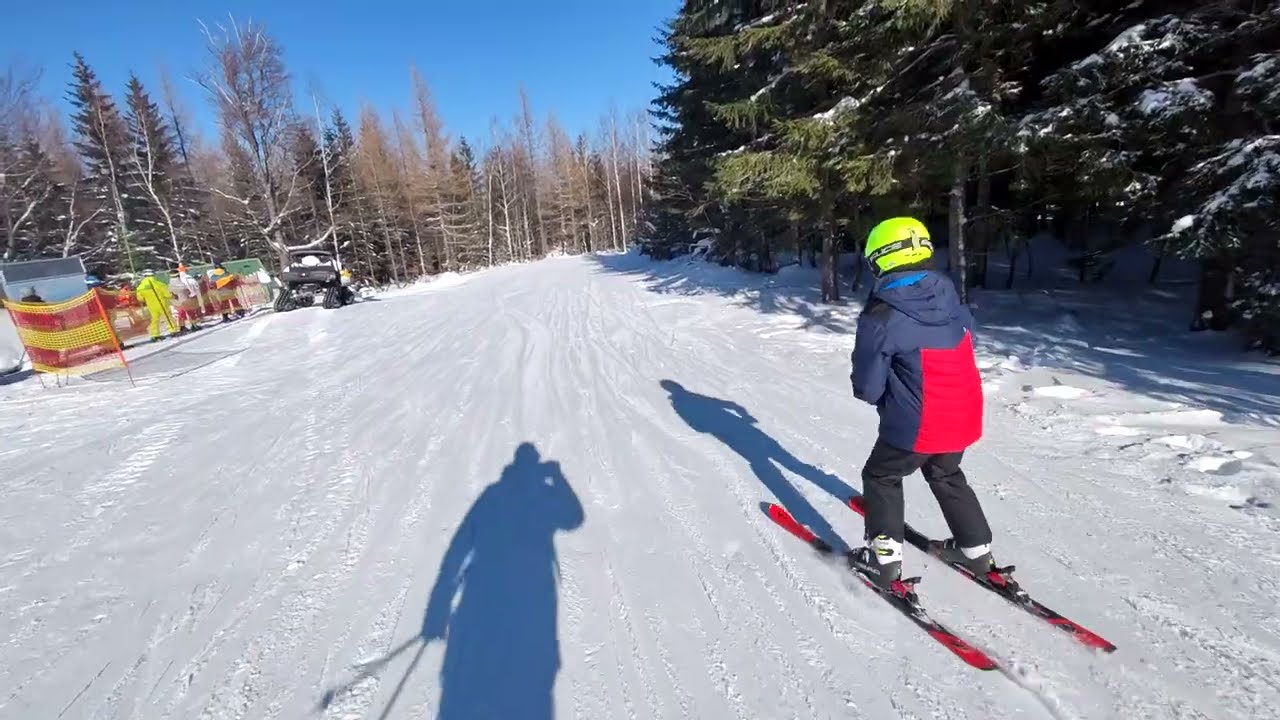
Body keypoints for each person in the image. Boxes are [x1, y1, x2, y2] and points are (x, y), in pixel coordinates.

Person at [847, 216, 1006, 593]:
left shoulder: (882, 315)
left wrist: (885, 396)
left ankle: (884, 562)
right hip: (964, 415)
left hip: (917, 422)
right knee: (946, 472)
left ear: (881, 259)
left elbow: (868, 387)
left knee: (882, 475)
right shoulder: (951, 299)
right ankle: (977, 551)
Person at [134, 269, 176, 341]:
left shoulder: (140, 287)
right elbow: (167, 294)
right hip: (161, 303)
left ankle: (155, 334)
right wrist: (172, 296)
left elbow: (140, 298)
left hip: (151, 306)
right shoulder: (159, 284)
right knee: (168, 317)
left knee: (154, 320)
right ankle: (173, 330)